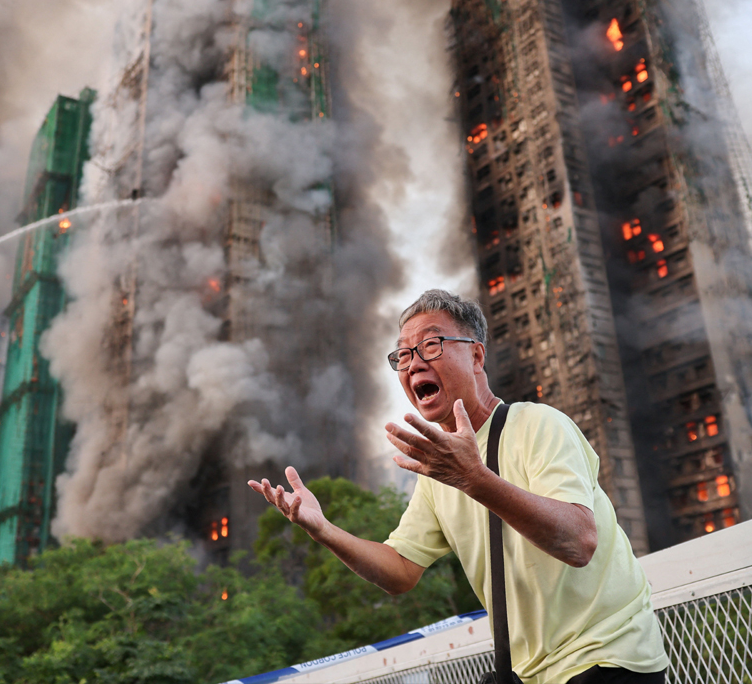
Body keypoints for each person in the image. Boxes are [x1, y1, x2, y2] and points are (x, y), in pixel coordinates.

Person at [249, 289, 669, 684]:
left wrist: (474, 478)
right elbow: (400, 571)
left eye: (431, 346)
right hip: (530, 674)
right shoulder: (439, 470)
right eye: (403, 354)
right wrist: (322, 529)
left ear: (476, 356)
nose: (413, 363)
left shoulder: (538, 425)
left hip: (607, 658)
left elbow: (579, 541)